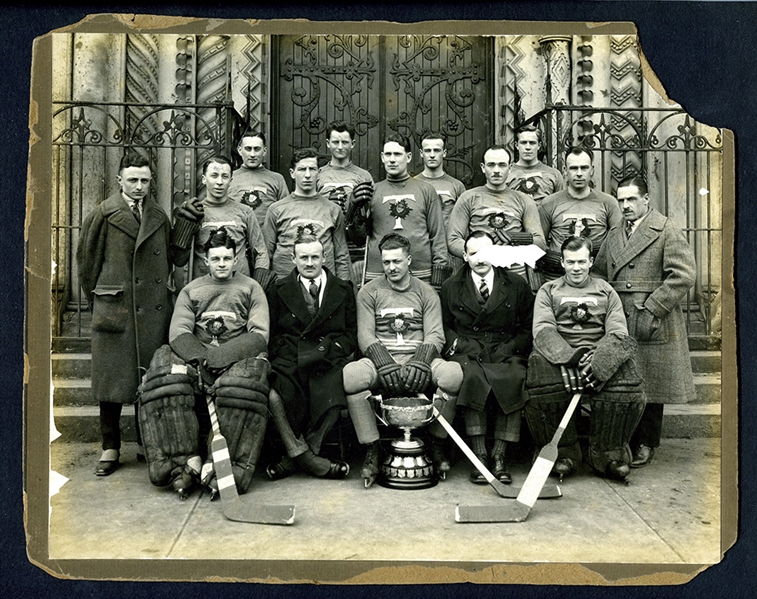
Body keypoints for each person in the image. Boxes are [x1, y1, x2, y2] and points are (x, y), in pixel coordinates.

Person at [139, 227, 270, 497]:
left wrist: (223, 357)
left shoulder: (251, 288)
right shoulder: (192, 290)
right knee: (166, 379)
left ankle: (223, 465)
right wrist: (200, 358)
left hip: (237, 358)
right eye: (216, 259)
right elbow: (179, 331)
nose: (221, 264)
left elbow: (259, 333)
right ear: (205, 260)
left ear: (236, 260)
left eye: (227, 258)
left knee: (239, 387)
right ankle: (183, 463)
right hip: (198, 358)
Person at [77, 151, 174, 477]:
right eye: (132, 179)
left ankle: (149, 443)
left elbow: (172, 258)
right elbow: (87, 266)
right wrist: (102, 301)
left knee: (149, 381)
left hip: (151, 311)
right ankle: (111, 447)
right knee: (112, 384)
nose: (139, 186)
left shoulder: (158, 215)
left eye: (145, 180)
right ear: (119, 180)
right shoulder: (103, 215)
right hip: (115, 309)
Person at [342, 233, 463, 487]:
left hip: (420, 361)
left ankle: (437, 442)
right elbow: (364, 334)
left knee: (453, 375)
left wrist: (419, 361)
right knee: (351, 375)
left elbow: (435, 334)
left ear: (408, 259)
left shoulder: (426, 292)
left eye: (397, 261)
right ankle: (373, 449)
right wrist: (383, 362)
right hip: (381, 362)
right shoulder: (369, 292)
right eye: (386, 262)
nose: (391, 268)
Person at [594, 174, 697, 467]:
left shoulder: (665, 229)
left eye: (631, 200)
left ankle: (646, 442)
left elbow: (684, 275)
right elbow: (601, 272)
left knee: (652, 382)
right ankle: (624, 437)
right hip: (619, 316)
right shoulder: (614, 233)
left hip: (651, 316)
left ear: (646, 200)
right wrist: (603, 304)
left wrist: (653, 307)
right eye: (621, 200)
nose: (625, 205)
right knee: (626, 379)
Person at [524, 236, 646, 481]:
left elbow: (617, 330)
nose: (576, 268)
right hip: (558, 353)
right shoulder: (549, 290)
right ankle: (563, 453)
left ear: (591, 261)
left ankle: (608, 454)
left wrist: (600, 360)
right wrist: (568, 358)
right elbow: (543, 329)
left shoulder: (605, 290)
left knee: (627, 388)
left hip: (599, 351)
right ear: (562, 262)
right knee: (544, 388)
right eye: (570, 262)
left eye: (581, 261)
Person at [440, 231, 534, 484]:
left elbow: (527, 326)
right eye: (473, 254)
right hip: (469, 351)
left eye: (485, 253)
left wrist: (510, 348)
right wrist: (462, 346)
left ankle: (500, 455)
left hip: (505, 349)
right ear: (464, 256)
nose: (480, 260)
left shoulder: (515, 284)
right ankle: (479, 455)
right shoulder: (451, 286)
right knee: (472, 376)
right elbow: (446, 327)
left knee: (515, 376)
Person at [264, 233, 356, 480]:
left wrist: (331, 349)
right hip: (290, 359)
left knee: (335, 393)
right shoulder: (277, 290)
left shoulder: (343, 289)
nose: (309, 263)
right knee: (275, 395)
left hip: (328, 359)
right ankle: (307, 458)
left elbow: (351, 334)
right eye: (303, 257)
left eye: (315, 256)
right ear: (293, 258)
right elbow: (272, 334)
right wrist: (289, 354)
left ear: (325, 257)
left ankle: (297, 457)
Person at [346, 133, 449, 288]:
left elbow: (438, 236)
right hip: (379, 272)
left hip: (420, 271)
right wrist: (353, 210)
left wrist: (438, 276)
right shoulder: (371, 192)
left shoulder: (426, 191)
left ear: (408, 157)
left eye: (397, 154)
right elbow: (358, 239)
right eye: (388, 154)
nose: (392, 159)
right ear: (382, 157)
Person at [170, 155, 274, 290]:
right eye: (214, 175)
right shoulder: (194, 212)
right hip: (205, 288)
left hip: (239, 288)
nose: (219, 182)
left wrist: (257, 287)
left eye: (224, 176)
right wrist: (184, 226)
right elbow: (179, 260)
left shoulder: (245, 212)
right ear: (203, 179)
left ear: (231, 180)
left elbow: (260, 252)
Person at [447, 144, 546, 284]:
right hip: (479, 272)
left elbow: (540, 242)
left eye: (502, 165)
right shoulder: (468, 198)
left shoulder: (524, 200)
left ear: (510, 168)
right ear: (483, 167)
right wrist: (480, 253)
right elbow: (453, 240)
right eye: (491, 165)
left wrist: (515, 238)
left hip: (514, 273)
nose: (496, 170)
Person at [263, 148, 352, 282]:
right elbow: (266, 254)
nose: (307, 175)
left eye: (312, 169)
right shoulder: (276, 209)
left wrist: (344, 288)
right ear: (292, 173)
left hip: (324, 286)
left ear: (319, 172)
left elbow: (341, 256)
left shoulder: (333, 209)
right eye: (302, 169)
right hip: (284, 285)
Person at [537, 147, 623, 280]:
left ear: (592, 170)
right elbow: (539, 245)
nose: (579, 173)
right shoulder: (549, 203)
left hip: (596, 279)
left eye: (584, 168)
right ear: (565, 171)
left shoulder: (608, 203)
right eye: (573, 168)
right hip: (557, 278)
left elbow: (618, 241)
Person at [317, 120, 375, 269]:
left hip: (354, 246)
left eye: (345, 142)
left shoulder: (364, 176)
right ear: (328, 143)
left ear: (353, 143)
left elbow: (371, 214)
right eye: (336, 142)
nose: (340, 147)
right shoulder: (318, 174)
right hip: (325, 242)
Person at [414, 132, 467, 272]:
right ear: (421, 153)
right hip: (421, 250)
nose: (432, 155)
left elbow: (464, 223)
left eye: (436, 150)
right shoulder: (412, 184)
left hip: (450, 252)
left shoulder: (456, 186)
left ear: (444, 153)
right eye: (427, 150)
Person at [227, 131, 289, 229]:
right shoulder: (229, 178)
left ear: (264, 151)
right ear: (239, 150)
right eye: (248, 149)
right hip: (237, 238)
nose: (252, 154)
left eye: (257, 149)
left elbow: (285, 213)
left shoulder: (277, 179)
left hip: (266, 239)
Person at [506, 125, 564, 206]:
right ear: (516, 145)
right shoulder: (507, 173)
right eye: (523, 143)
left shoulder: (554, 174)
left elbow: (560, 206)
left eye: (532, 143)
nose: (528, 147)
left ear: (539, 145)